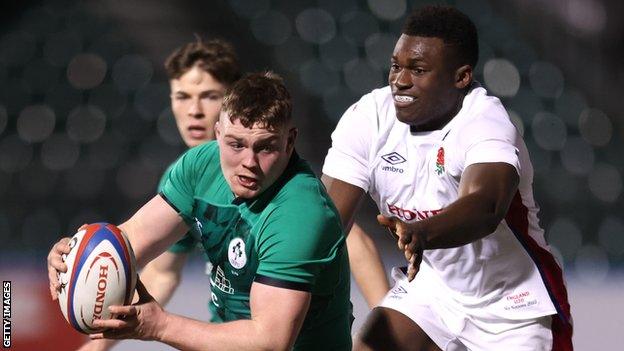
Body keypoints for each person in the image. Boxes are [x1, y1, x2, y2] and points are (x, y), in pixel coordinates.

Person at [321, 5, 572, 350]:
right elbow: (327, 223)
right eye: (396, 66)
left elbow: (486, 205)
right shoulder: (370, 118)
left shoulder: (486, 122)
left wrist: (423, 232)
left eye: (418, 69)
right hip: (432, 288)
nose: (400, 80)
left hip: (512, 305)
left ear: (461, 77)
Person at [48, 72, 353, 350]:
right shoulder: (200, 167)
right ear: (218, 133)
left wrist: (159, 325)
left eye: (265, 147)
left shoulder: (300, 213)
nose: (249, 161)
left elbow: (269, 342)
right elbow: (131, 241)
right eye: (236, 144)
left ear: (290, 141)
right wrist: (76, 255)